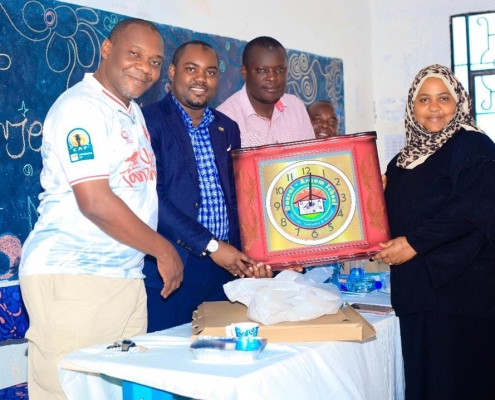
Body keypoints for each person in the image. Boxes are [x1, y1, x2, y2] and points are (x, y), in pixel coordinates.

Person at [18, 19, 184, 399]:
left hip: (123, 278)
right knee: (67, 392)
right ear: (107, 50)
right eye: (134, 54)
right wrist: (162, 250)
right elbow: (94, 201)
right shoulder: (81, 108)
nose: (145, 68)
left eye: (155, 61)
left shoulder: (132, 111)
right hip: (75, 276)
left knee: (118, 393)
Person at [374, 64, 495, 399]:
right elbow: (397, 217)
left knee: (462, 385)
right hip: (417, 294)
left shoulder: (474, 146)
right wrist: (373, 200)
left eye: (444, 98)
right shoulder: (402, 162)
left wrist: (414, 243)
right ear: (412, 107)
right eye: (424, 99)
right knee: (425, 384)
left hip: (463, 296)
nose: (434, 107)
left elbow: (473, 208)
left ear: (459, 102)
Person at [142, 41, 273, 332]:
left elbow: (237, 199)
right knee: (169, 352)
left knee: (224, 350)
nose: (201, 79)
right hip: (174, 267)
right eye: (191, 69)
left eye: (210, 72)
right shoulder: (149, 121)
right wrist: (211, 245)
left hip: (225, 269)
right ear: (172, 72)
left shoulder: (227, 127)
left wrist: (255, 254)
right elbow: (152, 200)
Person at [217, 36, 314, 147]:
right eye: (262, 70)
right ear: (244, 72)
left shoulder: (296, 107)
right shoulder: (224, 119)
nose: (272, 78)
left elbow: (311, 155)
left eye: (279, 70)